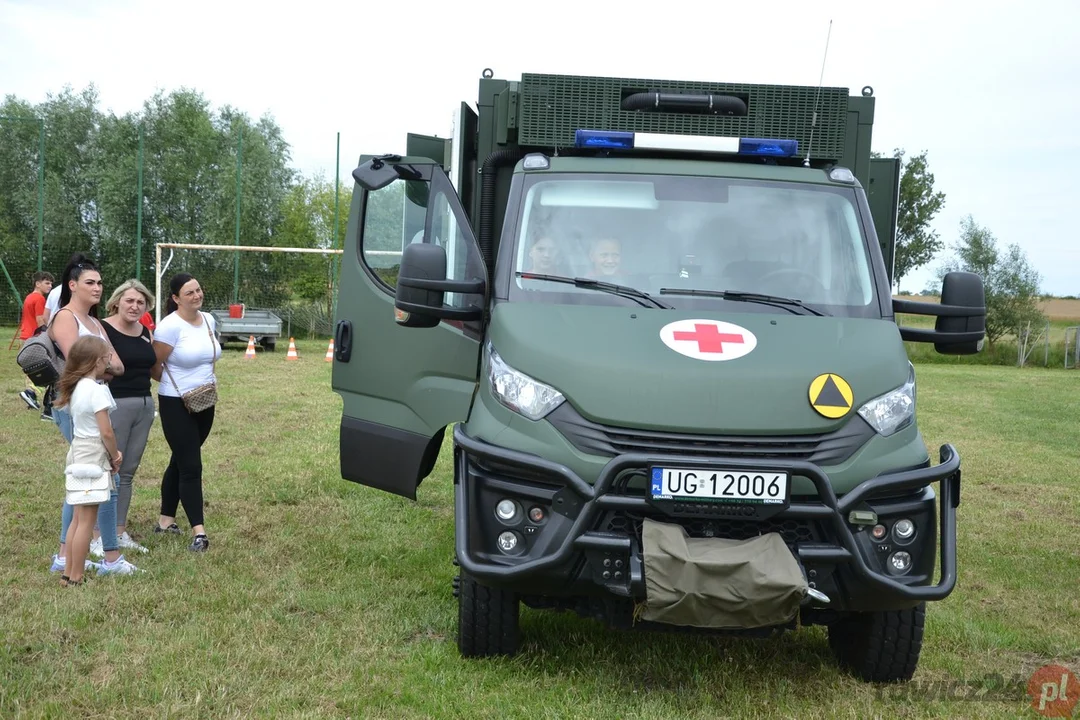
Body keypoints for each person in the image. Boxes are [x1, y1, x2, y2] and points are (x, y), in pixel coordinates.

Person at [46, 254, 139, 577]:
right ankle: (109, 557)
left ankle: (66, 555)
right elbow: (81, 364)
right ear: (72, 286)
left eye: (100, 282)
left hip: (94, 401)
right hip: (80, 409)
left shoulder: (96, 322)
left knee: (84, 482)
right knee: (96, 481)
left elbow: (118, 366)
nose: (98, 288)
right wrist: (104, 368)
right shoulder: (65, 318)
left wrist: (106, 368)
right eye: (90, 282)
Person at [151, 272, 221, 552]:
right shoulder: (169, 327)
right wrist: (175, 388)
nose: (197, 295)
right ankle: (199, 533)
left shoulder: (208, 320)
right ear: (176, 298)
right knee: (192, 465)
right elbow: (155, 365)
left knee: (180, 461)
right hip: (175, 402)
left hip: (204, 400)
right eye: (189, 292)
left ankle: (165, 520)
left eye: (198, 289)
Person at [51, 335, 123, 587]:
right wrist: (115, 455)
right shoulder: (97, 390)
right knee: (87, 522)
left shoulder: (77, 387)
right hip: (94, 454)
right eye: (107, 358)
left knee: (77, 519)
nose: (109, 362)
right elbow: (106, 431)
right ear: (96, 361)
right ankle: (77, 577)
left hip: (78, 451)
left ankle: (67, 573)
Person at [98, 279, 158, 554]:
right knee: (110, 470)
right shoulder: (102, 328)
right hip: (115, 405)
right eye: (130, 300)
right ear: (117, 301)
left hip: (145, 405)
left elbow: (154, 368)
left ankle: (119, 532)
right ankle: (99, 535)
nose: (135, 306)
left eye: (141, 302)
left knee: (129, 470)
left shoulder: (145, 331)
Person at [18, 271, 54, 414]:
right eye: (47, 283)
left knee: (30, 369)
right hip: (34, 338)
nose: (50, 286)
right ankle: (31, 393)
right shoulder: (39, 299)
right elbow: (40, 319)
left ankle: (31, 398)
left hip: (24, 336)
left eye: (51, 283)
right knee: (43, 368)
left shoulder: (28, 297)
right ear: (37, 284)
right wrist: (45, 334)